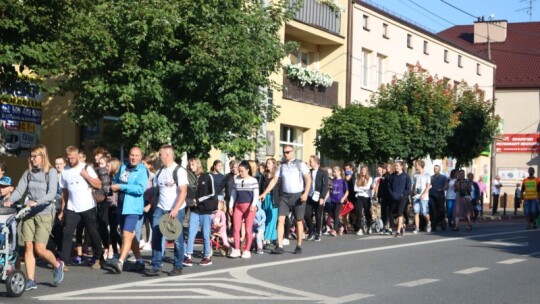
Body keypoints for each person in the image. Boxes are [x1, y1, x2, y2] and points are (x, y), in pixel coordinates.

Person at [3, 145, 63, 290]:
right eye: (31, 156)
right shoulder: (28, 173)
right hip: (28, 212)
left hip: (45, 212)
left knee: (40, 249)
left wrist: (37, 202)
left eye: (35, 156)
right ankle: (31, 279)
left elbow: (52, 194)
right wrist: (10, 200)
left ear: (43, 157)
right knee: (28, 246)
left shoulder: (51, 172)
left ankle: (57, 265)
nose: (32, 158)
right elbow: (19, 189)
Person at [145, 145, 188, 276]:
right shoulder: (159, 172)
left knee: (177, 239)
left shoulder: (179, 171)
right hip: (160, 209)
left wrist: (175, 209)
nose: (159, 157)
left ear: (168, 155)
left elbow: (183, 191)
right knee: (157, 236)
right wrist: (151, 204)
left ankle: (178, 266)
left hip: (175, 210)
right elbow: (158, 191)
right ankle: (156, 265)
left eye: (161, 155)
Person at [59, 146, 104, 270]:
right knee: (67, 234)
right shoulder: (65, 171)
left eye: (73, 158)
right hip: (72, 207)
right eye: (69, 158)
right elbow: (65, 193)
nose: (71, 160)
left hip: (87, 206)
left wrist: (86, 176)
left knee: (93, 232)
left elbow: (99, 184)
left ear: (78, 156)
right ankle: (64, 262)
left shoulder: (86, 168)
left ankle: (99, 258)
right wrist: (63, 210)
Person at [262, 145, 311, 255]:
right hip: (285, 196)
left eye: (288, 152)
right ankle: (280, 245)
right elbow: (274, 179)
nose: (286, 154)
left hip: (298, 196)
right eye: (284, 152)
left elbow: (308, 179)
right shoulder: (282, 166)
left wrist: (306, 193)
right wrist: (265, 193)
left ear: (293, 152)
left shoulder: (300, 164)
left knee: (298, 220)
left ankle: (298, 245)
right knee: (280, 220)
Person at [109, 147, 148, 274]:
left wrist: (122, 187)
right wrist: (114, 186)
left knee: (126, 234)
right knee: (130, 235)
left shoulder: (142, 170)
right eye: (132, 155)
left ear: (141, 157)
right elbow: (117, 181)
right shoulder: (124, 167)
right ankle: (140, 261)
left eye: (137, 155)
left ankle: (120, 261)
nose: (134, 158)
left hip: (133, 207)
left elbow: (140, 189)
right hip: (121, 206)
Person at [184, 158, 217, 266]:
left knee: (205, 234)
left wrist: (198, 200)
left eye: (192, 164)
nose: (190, 166)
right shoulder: (189, 178)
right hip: (194, 209)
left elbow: (212, 193)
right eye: (189, 164)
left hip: (205, 210)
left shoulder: (207, 176)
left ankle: (207, 256)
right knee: (191, 232)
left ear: (198, 165)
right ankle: (188, 256)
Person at [229, 160, 259, 259]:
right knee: (236, 228)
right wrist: (230, 205)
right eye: (239, 170)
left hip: (249, 207)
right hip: (238, 206)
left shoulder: (253, 180)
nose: (240, 173)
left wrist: (253, 205)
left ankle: (247, 250)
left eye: (242, 171)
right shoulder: (237, 179)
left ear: (247, 170)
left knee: (248, 228)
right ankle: (237, 249)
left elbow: (256, 195)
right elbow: (233, 193)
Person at [304, 155, 329, 241]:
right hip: (310, 196)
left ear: (316, 162)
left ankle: (318, 233)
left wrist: (322, 197)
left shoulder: (323, 172)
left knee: (318, 216)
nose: (310, 163)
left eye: (311, 161)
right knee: (306, 214)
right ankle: (311, 230)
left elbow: (325, 186)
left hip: (319, 197)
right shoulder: (309, 172)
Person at [259, 158, 280, 245]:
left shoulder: (277, 176)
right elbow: (261, 187)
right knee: (266, 219)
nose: (267, 165)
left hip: (273, 198)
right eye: (267, 163)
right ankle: (274, 237)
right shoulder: (264, 176)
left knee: (272, 218)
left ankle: (267, 238)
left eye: (269, 163)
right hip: (265, 198)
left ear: (274, 165)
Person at [389, 161, 411, 237]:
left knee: (399, 212)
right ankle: (401, 226)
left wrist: (402, 194)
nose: (396, 167)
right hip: (394, 197)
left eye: (398, 166)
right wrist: (392, 194)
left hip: (402, 198)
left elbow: (408, 189)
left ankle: (398, 231)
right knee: (394, 214)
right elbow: (389, 187)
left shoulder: (406, 176)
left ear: (402, 166)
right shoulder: (392, 176)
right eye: (395, 166)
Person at [412, 160, 431, 234]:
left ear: (420, 165)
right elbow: (413, 185)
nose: (415, 166)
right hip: (416, 196)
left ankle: (429, 223)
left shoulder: (427, 175)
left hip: (424, 197)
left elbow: (428, 186)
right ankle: (417, 228)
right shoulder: (415, 175)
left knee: (424, 212)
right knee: (416, 212)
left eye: (416, 165)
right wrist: (412, 192)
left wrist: (424, 194)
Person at [354, 166, 372, 235]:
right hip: (359, 197)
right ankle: (360, 228)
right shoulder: (358, 178)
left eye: (364, 170)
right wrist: (362, 188)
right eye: (362, 170)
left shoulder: (369, 179)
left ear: (366, 171)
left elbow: (367, 188)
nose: (363, 171)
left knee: (367, 212)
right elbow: (355, 189)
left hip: (366, 197)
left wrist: (360, 188)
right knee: (358, 213)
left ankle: (369, 226)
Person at [429, 165, 447, 231]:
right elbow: (428, 185)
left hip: (440, 196)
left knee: (441, 210)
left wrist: (442, 189)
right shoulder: (431, 177)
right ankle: (433, 223)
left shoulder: (443, 177)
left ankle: (442, 222)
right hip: (432, 196)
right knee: (433, 210)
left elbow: (446, 185)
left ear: (439, 170)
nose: (435, 170)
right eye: (435, 169)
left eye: (437, 169)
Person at [378, 163, 394, 234]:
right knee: (383, 212)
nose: (387, 168)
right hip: (384, 196)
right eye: (387, 166)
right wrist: (379, 196)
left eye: (389, 166)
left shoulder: (393, 176)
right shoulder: (384, 176)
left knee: (390, 213)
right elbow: (380, 187)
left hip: (391, 196)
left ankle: (390, 228)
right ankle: (384, 227)